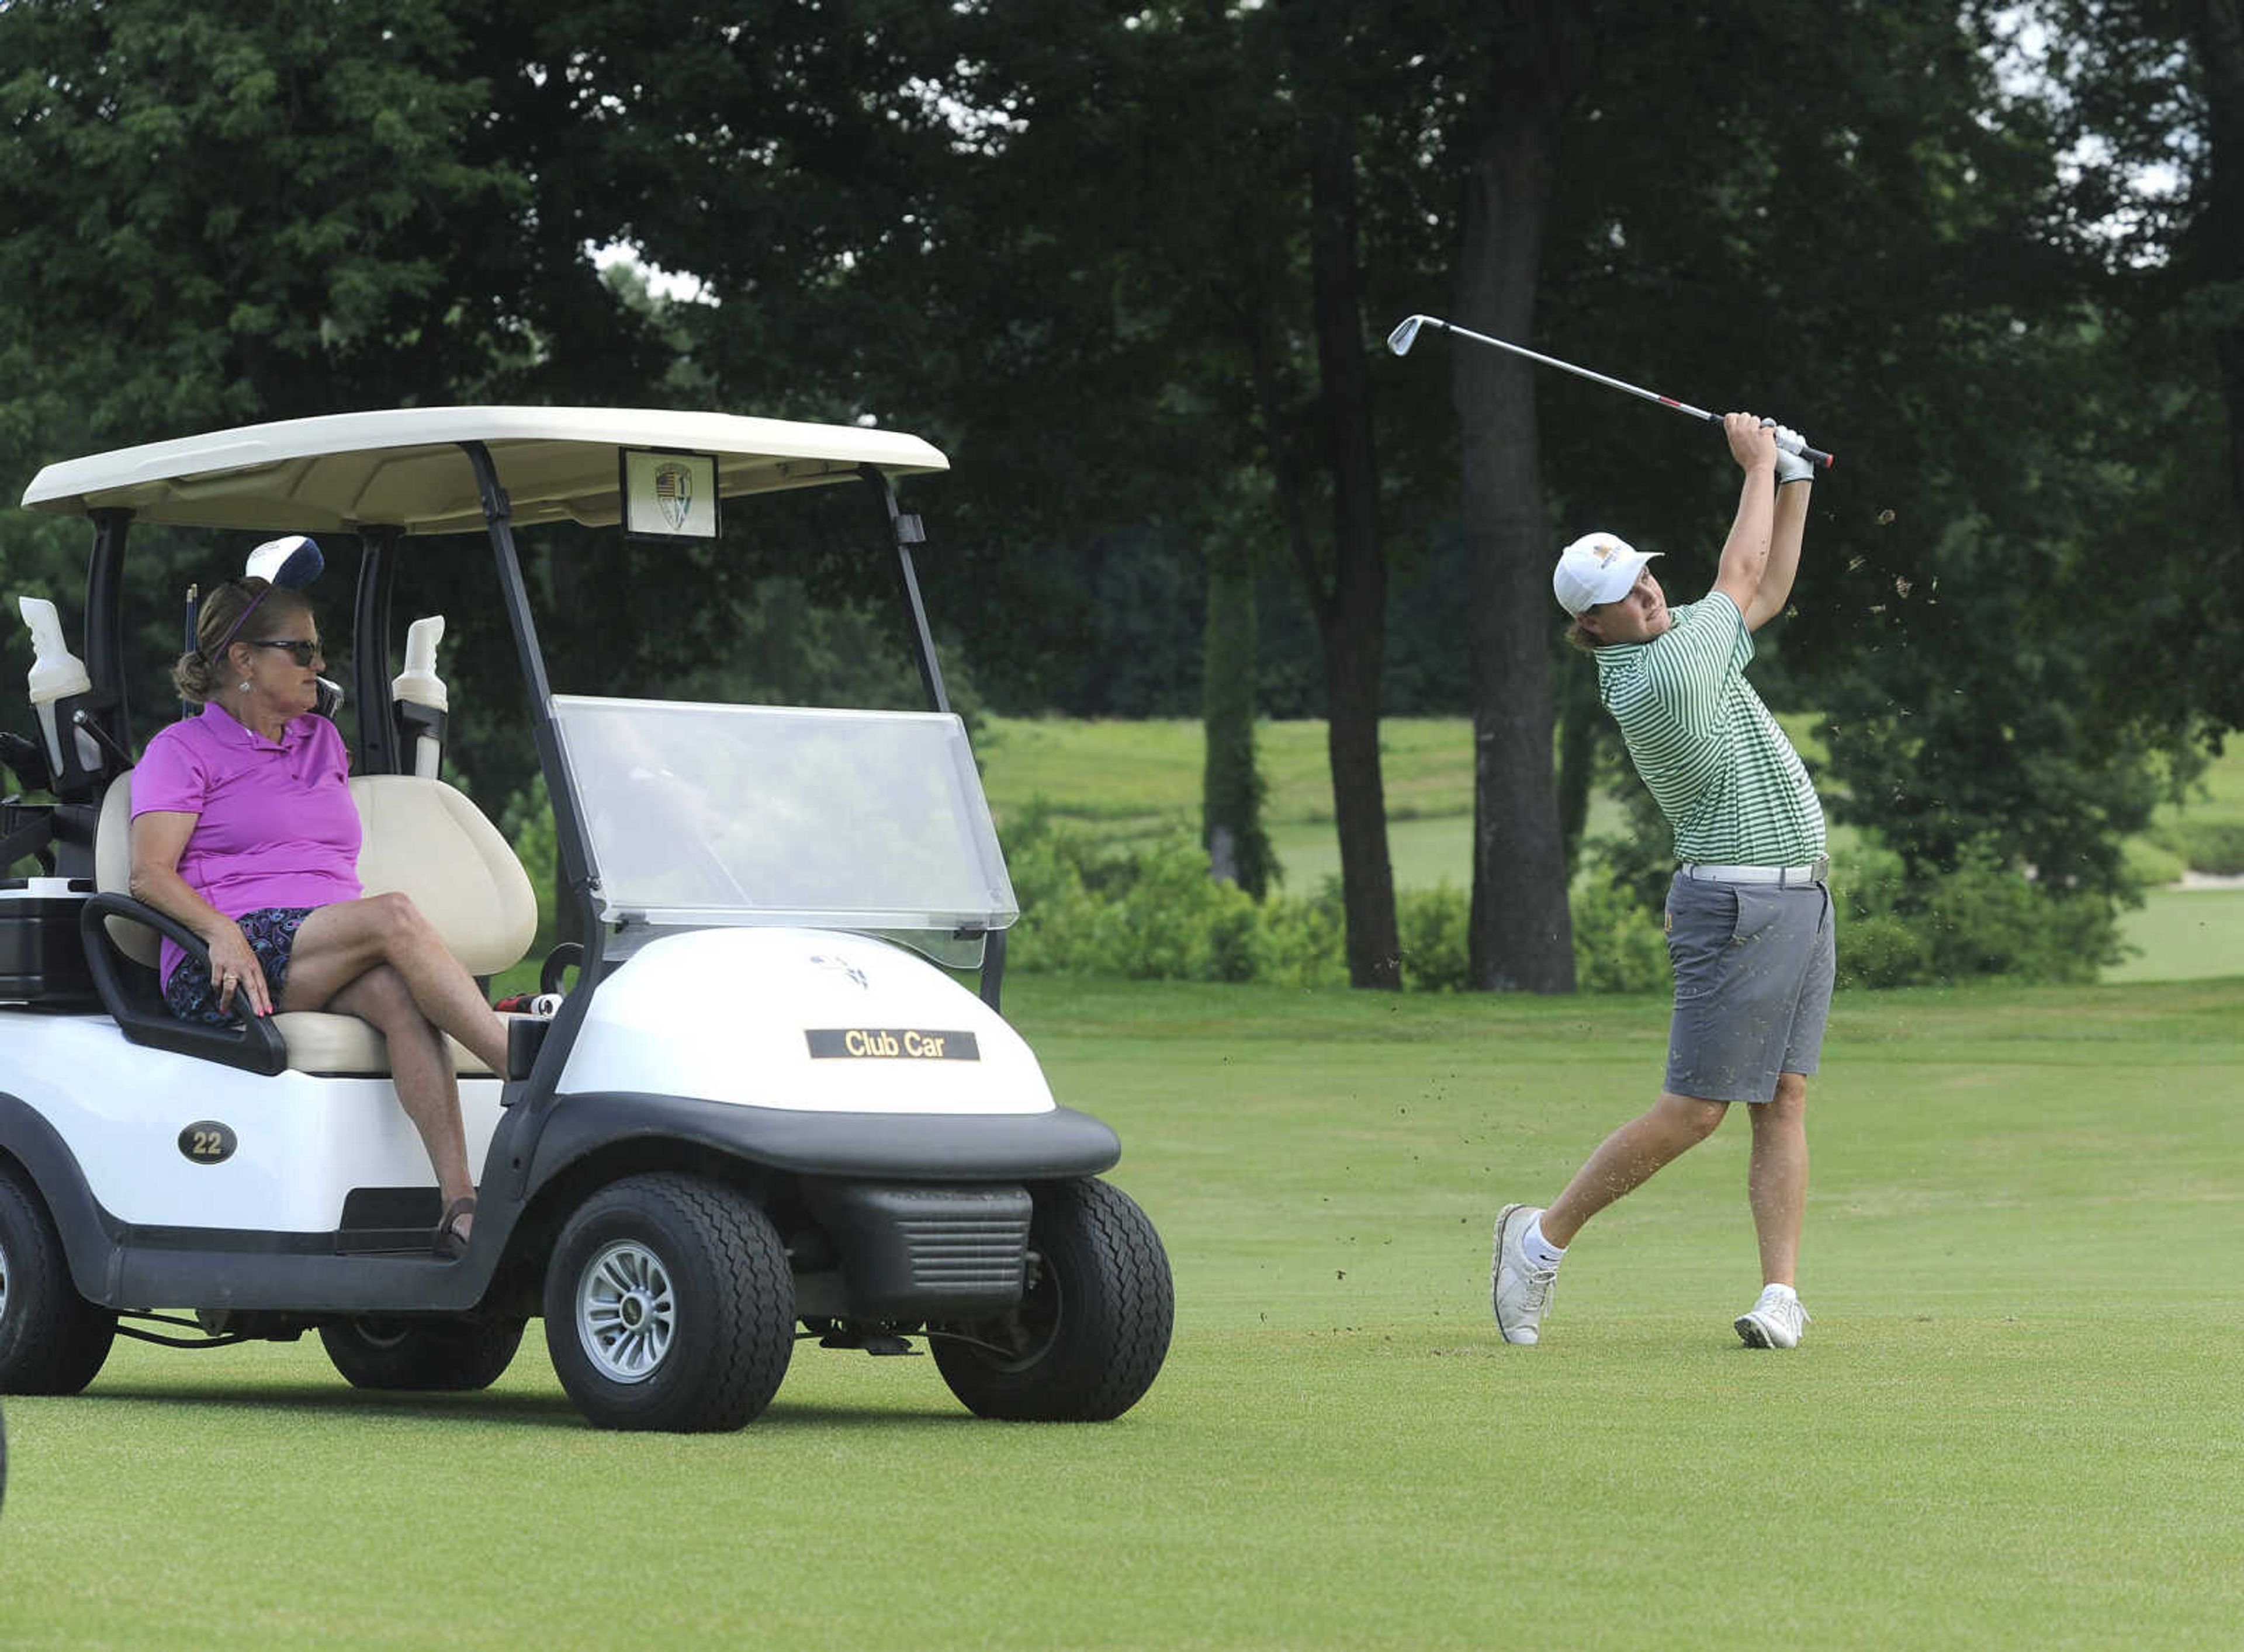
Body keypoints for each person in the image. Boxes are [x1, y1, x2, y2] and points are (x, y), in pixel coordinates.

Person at [1494, 414, 1833, 1350]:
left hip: (1798, 892)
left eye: (1643, 571)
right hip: (1737, 902)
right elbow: (1737, 576)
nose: (1645, 590)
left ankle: (1780, 1293)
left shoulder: (1690, 636)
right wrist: (1759, 463)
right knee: (1693, 1112)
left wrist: (1796, 479)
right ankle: (1537, 1240)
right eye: (1621, 591)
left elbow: (1764, 587)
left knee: (1785, 1099)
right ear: (1589, 625)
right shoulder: (1656, 673)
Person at [129, 574, 512, 1258]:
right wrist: (219, 931)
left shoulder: (321, 743)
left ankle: (460, 1206)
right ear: (244, 660)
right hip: (224, 958)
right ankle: (525, 1071)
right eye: (301, 651)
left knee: (401, 997)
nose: (319, 665)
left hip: (316, 947)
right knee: (393, 914)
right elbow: (148, 872)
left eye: (319, 650)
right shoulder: (181, 752)